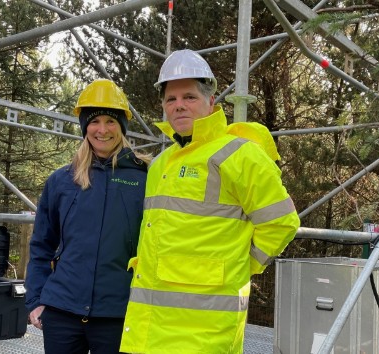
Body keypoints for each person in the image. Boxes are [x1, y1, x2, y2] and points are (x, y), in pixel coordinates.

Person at [120, 49, 300, 354]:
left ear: (211, 101)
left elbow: (281, 223)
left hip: (205, 334)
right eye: (171, 99)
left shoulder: (240, 154)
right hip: (146, 329)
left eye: (189, 97)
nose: (178, 106)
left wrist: (242, 265)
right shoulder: (161, 164)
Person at [25, 79, 149, 354]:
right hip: (62, 312)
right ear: (84, 126)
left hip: (120, 313)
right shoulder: (62, 180)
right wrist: (36, 300)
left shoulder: (146, 177)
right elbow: (42, 245)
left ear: (122, 126)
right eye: (94, 122)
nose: (102, 130)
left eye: (111, 121)